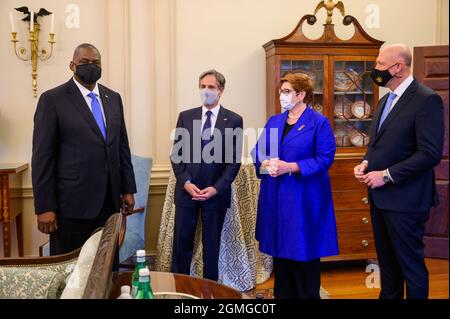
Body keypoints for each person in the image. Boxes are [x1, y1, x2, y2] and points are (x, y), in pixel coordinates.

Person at [353, 44, 444, 299]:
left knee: (410, 267)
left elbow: (429, 154)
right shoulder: (385, 100)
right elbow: (378, 144)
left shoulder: (427, 99)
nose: (376, 69)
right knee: (388, 267)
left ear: (398, 67)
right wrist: (366, 163)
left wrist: (386, 175)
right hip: (380, 199)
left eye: (381, 64)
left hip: (407, 200)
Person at [32, 43, 136, 259]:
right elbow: (43, 158)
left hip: (109, 203)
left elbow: (122, 147)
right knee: (73, 271)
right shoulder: (52, 100)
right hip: (71, 206)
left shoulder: (113, 98)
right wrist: (44, 207)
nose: (91, 66)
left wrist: (127, 189)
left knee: (107, 266)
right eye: (84, 63)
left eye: (96, 63)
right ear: (72, 65)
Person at [253, 73, 338, 299]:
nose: (282, 96)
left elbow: (325, 158)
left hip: (304, 199)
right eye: (282, 91)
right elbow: (258, 151)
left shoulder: (318, 122)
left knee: (304, 253)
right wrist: (265, 163)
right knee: (281, 254)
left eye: (287, 91)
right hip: (276, 198)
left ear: (301, 95)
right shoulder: (275, 121)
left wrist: (291, 166)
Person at [170, 69, 243, 281]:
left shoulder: (234, 120)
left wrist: (216, 189)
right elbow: (177, 156)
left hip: (215, 195)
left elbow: (233, 162)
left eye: (211, 87)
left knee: (211, 248)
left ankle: (210, 290)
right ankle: (179, 289)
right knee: (181, 245)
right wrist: (185, 182)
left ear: (221, 90)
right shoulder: (186, 116)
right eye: (202, 86)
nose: (206, 91)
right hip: (187, 192)